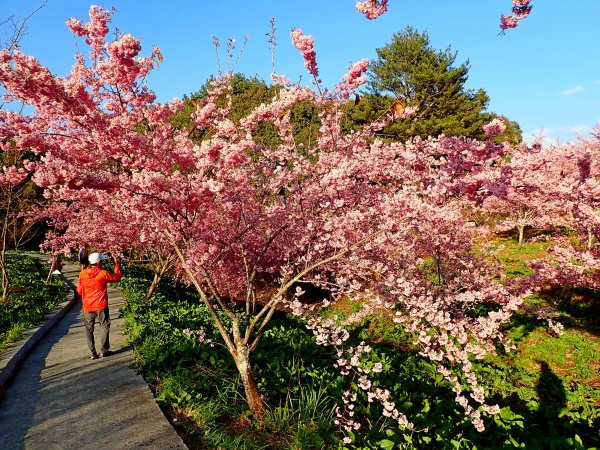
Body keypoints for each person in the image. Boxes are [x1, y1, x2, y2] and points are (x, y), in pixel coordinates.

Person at [77, 252, 122, 359]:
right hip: (101, 305)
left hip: (87, 306)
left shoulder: (82, 274)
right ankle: (104, 350)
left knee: (89, 329)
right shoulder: (103, 273)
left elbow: (79, 290)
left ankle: (92, 353)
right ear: (98, 262)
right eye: (101, 260)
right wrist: (117, 265)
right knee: (104, 326)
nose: (102, 262)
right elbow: (117, 278)